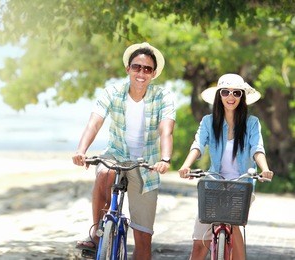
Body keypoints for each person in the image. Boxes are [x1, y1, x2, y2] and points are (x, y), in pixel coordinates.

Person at [72, 42, 176, 259]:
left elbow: (166, 130)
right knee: (104, 172)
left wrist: (165, 158)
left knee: (143, 241)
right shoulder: (113, 92)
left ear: (153, 73)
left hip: (146, 165)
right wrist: (81, 150)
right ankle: (97, 234)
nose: (141, 73)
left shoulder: (163, 97)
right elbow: (95, 122)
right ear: (128, 69)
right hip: (116, 153)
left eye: (147, 69)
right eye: (137, 67)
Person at [178, 73, 274, 260]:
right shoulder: (208, 121)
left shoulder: (252, 123)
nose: (231, 97)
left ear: (242, 97)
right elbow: (198, 145)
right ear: (219, 95)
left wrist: (265, 169)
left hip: (241, 185)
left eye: (236, 93)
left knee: (234, 222)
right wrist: (186, 165)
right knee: (199, 242)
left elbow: (257, 148)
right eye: (226, 92)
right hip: (214, 183)